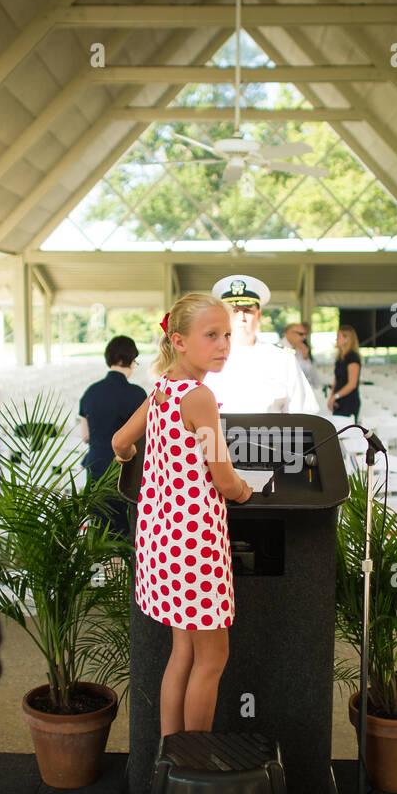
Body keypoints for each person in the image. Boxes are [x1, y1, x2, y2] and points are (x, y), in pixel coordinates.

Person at [110, 294, 252, 737]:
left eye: (227, 335)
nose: (223, 344)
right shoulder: (200, 397)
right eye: (211, 335)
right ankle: (195, 759)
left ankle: (168, 760)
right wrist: (246, 489)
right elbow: (224, 479)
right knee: (212, 659)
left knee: (183, 654)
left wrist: (136, 456)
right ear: (179, 340)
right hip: (196, 547)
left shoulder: (161, 391)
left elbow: (118, 442)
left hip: (161, 544)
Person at [199, 274, 320, 414]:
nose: (241, 317)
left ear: (259, 315)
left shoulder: (282, 359)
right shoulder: (203, 359)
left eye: (248, 310)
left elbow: (304, 414)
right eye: (234, 310)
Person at [78, 334, 147, 536]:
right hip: (125, 471)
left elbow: (85, 437)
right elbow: (145, 437)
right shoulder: (137, 394)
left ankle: (106, 569)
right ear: (132, 360)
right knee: (126, 531)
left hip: (96, 468)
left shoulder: (90, 392)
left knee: (102, 532)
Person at [328, 323, 362, 421]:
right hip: (339, 400)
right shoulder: (340, 358)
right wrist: (332, 397)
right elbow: (336, 379)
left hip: (349, 401)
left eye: (339, 336)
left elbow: (352, 384)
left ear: (347, 339)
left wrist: (335, 396)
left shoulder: (352, 358)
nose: (336, 339)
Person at [283, 321, 319, 386]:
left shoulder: (299, 348)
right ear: (289, 333)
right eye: (301, 334)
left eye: (305, 334)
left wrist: (305, 357)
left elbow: (307, 373)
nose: (304, 337)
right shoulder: (279, 349)